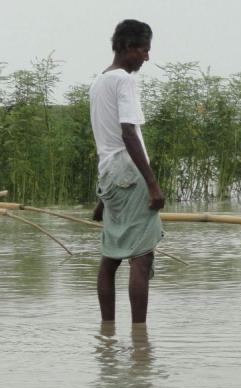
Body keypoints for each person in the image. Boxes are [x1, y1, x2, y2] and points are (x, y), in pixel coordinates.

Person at [89, 19, 165, 324]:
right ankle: (139, 337)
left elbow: (104, 141)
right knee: (141, 257)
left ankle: (107, 331)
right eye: (143, 50)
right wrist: (152, 185)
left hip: (108, 173)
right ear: (126, 47)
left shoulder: (98, 82)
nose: (146, 57)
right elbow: (128, 134)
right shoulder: (124, 81)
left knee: (110, 258)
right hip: (129, 172)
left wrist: (103, 200)